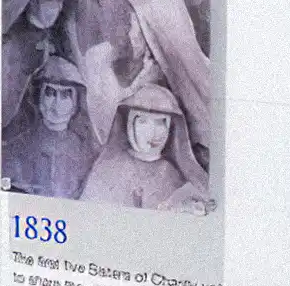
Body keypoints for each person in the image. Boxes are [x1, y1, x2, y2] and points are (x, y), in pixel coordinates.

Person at [78, 84, 210, 213]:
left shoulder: (172, 174)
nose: (153, 132)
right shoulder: (108, 169)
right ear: (129, 124)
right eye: (143, 122)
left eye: (161, 122)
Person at [125, 0, 214, 169]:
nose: (130, 35)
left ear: (156, 29)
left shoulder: (203, 84)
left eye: (135, 25)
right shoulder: (140, 74)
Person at [1, 55, 97, 199]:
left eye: (65, 95)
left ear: (77, 102)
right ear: (37, 97)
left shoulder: (88, 154)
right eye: (50, 93)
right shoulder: (15, 149)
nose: (56, 105)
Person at [1, 0, 74, 127]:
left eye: (59, 0)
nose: (55, 7)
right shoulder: (13, 43)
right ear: (32, 0)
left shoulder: (58, 38)